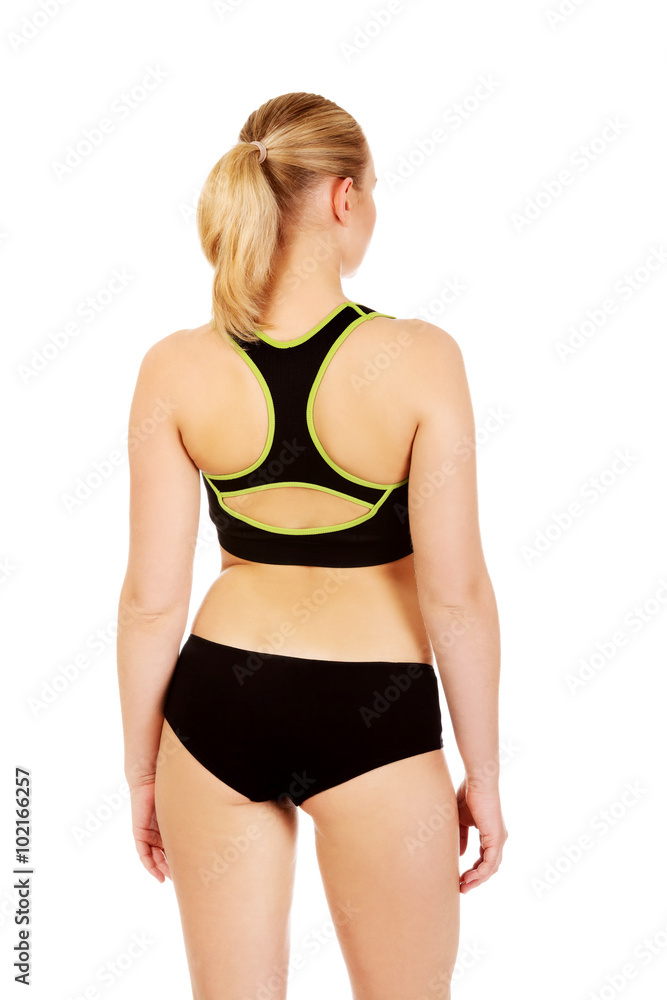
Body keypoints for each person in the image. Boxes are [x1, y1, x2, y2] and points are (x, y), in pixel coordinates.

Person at [116, 91, 507, 1000]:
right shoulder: (420, 357)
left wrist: (141, 773)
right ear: (342, 197)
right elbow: (456, 594)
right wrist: (482, 774)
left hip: (214, 708)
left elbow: (150, 602)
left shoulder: (175, 365)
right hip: (372, 710)